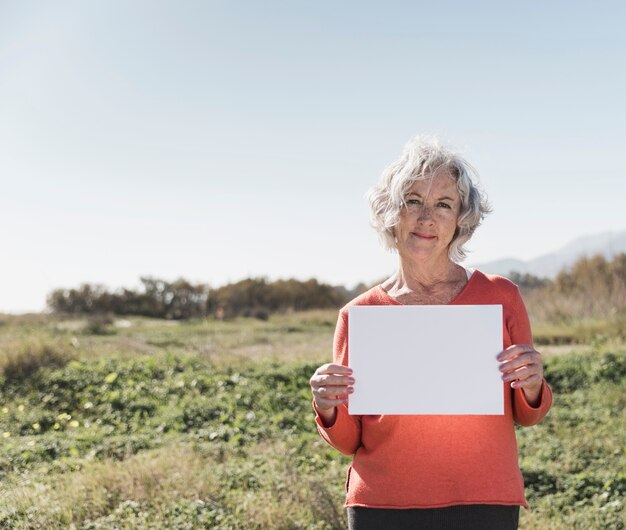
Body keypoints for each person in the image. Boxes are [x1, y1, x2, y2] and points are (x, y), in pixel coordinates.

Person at [309, 136, 553, 530]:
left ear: (461, 219)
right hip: (383, 506)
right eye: (413, 200)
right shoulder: (359, 314)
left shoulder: (500, 296)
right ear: (391, 212)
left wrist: (532, 383)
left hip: (483, 498)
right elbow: (349, 440)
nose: (427, 218)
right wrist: (326, 406)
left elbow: (527, 413)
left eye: (444, 204)